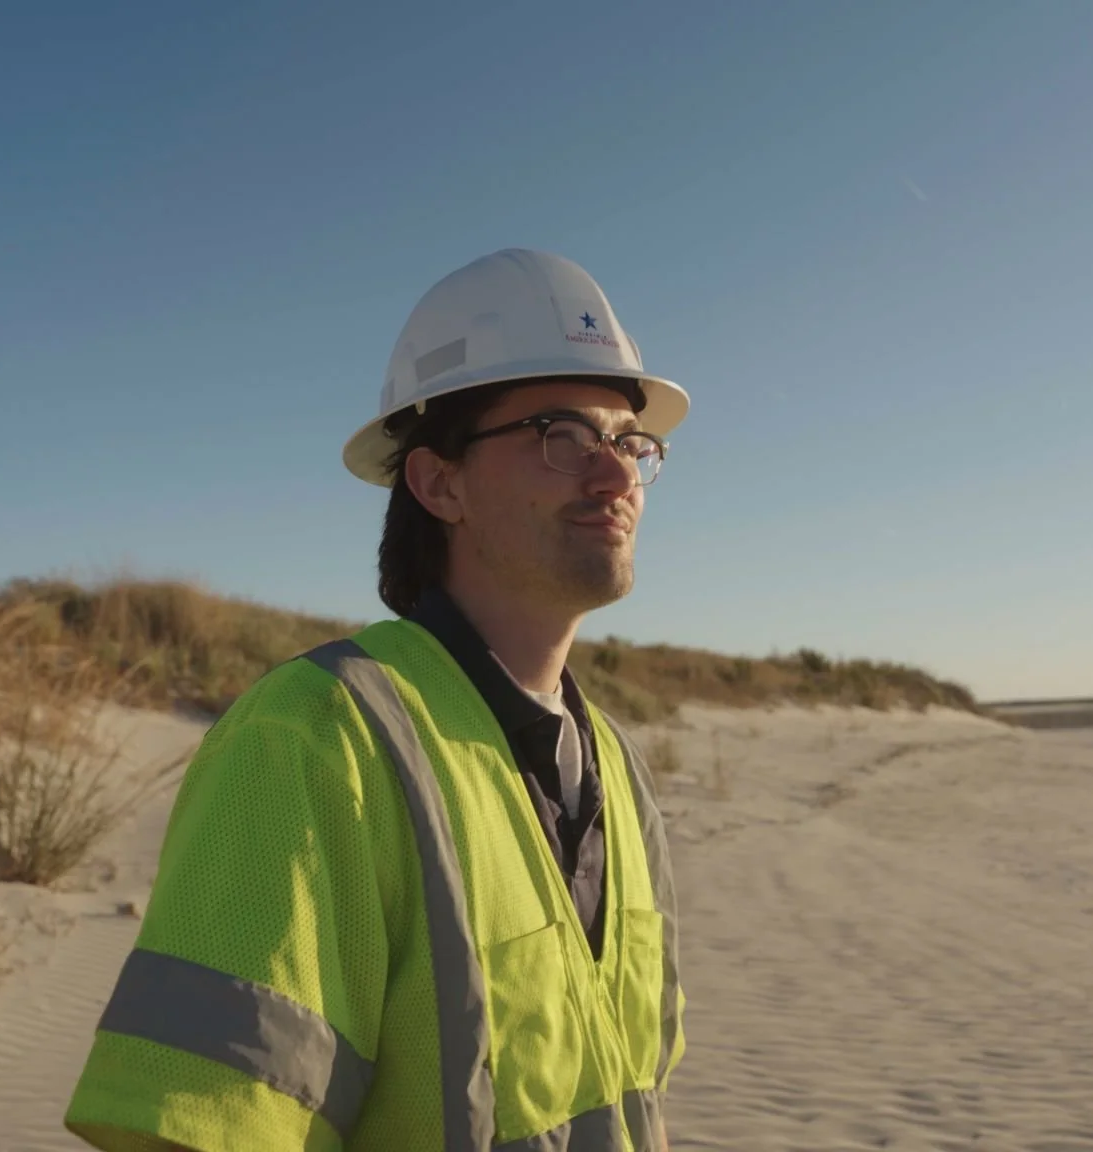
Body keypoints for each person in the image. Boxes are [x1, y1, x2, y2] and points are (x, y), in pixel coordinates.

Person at [63, 249, 690, 1152]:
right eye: (563, 436)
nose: (616, 476)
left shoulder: (616, 768)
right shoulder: (314, 739)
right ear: (440, 483)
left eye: (629, 443)